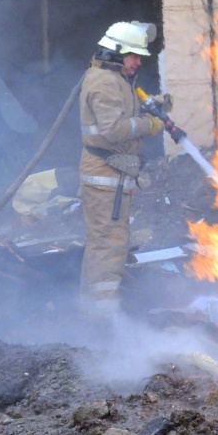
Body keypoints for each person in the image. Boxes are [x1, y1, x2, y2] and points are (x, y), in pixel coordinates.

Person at [78, 21, 168, 313]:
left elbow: (120, 112)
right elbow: (113, 130)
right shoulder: (104, 82)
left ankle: (91, 309)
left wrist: (152, 105)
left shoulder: (115, 80)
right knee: (109, 243)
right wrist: (150, 125)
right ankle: (105, 318)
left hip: (113, 174)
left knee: (104, 242)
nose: (138, 61)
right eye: (134, 55)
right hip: (105, 176)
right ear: (116, 52)